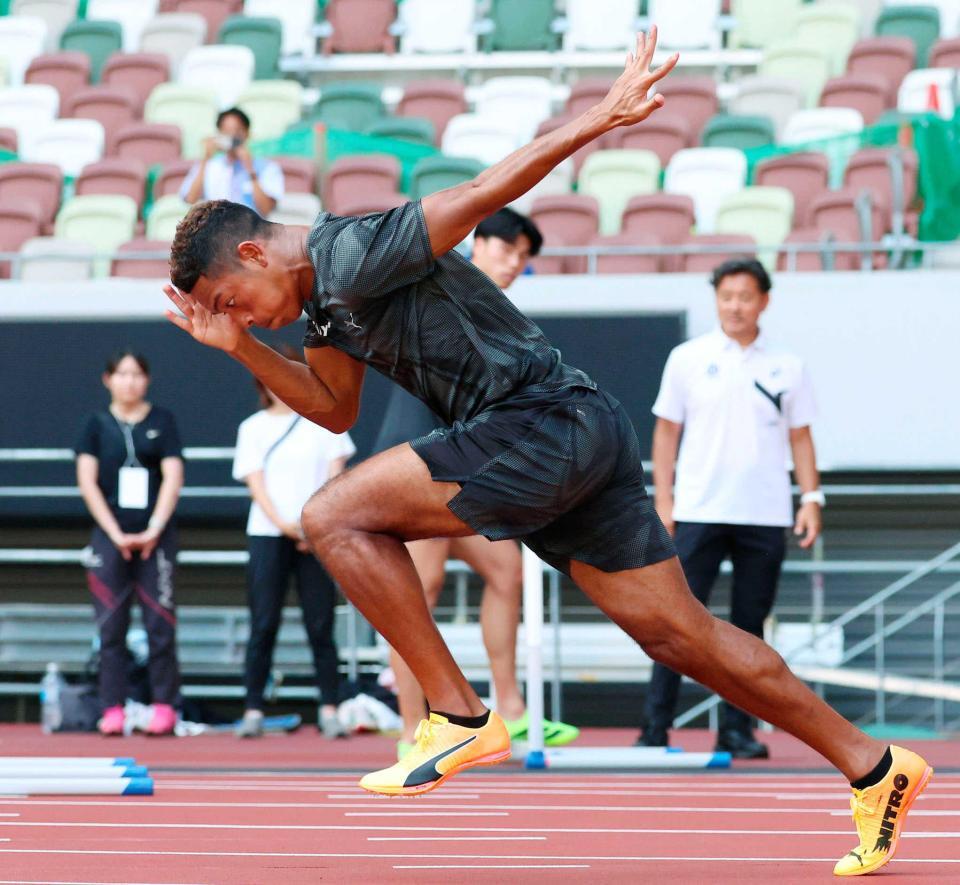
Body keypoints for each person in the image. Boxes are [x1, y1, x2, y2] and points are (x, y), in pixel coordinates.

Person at [163, 30, 931, 876]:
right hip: (570, 432)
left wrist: (601, 116)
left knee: (330, 513)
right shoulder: (319, 312)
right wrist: (236, 348)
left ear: (251, 251)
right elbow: (335, 411)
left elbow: (487, 190)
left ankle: (457, 714)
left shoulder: (348, 248)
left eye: (235, 303)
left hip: (541, 420)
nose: (245, 316)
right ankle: (875, 765)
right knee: (684, 637)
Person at [372, 208, 579, 758]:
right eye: (507, 250)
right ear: (478, 244)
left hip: (460, 462)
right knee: (420, 590)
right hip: (413, 461)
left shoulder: (497, 308)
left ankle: (508, 706)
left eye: (524, 258)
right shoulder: (444, 286)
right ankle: (414, 728)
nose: (515, 264)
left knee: (505, 568)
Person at [639, 258, 823, 759]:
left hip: (764, 514)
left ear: (764, 300)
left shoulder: (788, 365)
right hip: (698, 509)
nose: (735, 305)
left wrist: (810, 498)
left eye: (745, 296)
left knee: (748, 629)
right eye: (726, 296)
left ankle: (736, 731)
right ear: (716, 299)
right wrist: (666, 498)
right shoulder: (687, 358)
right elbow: (665, 432)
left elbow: (801, 437)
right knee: (675, 622)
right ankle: (655, 728)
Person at [232, 346, 356, 738]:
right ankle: (252, 707)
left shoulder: (326, 424)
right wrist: (288, 525)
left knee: (320, 624)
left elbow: (336, 478)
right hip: (269, 534)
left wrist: (311, 525)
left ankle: (330, 707)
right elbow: (256, 484)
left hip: (317, 537)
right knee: (263, 622)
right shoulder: (252, 428)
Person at [75, 350, 184, 736]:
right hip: (110, 539)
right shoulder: (95, 424)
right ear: (108, 379)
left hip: (157, 540)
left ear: (147, 380)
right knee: (110, 627)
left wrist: (154, 527)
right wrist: (114, 532)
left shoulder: (162, 421)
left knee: (160, 624)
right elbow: (87, 481)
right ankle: (112, 707)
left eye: (137, 374)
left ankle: (164, 706)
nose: (130, 382)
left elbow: (173, 476)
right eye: (122, 374)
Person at [181, 107, 284, 218]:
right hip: (216, 229)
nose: (232, 136)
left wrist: (250, 169)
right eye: (226, 131)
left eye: (237, 131)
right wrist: (206, 158)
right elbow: (191, 199)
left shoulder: (267, 167)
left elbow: (266, 209)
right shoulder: (209, 165)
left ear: (247, 133)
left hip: (252, 229)